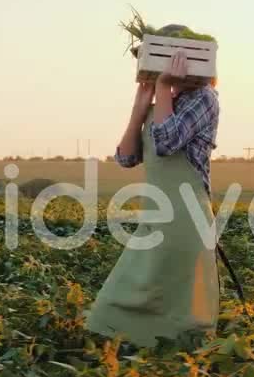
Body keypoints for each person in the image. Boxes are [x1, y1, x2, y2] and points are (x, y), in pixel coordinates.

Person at [84, 44, 222, 348]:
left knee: (179, 307)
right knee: (121, 296)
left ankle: (175, 374)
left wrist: (161, 87)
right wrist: (139, 109)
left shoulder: (205, 99)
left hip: (185, 218)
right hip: (155, 214)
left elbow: (166, 142)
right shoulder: (164, 100)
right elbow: (126, 157)